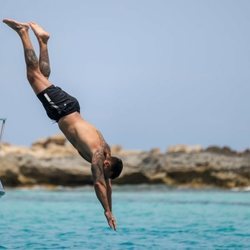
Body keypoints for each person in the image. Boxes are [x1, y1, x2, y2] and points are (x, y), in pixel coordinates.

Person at [3, 18, 123, 231]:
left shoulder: (106, 150)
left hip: (71, 108)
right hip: (62, 110)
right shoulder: (97, 156)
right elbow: (98, 184)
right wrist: (105, 211)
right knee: (33, 75)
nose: (104, 176)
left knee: (43, 76)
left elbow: (108, 186)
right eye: (105, 172)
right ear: (106, 164)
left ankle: (43, 41)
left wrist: (110, 209)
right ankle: (23, 32)